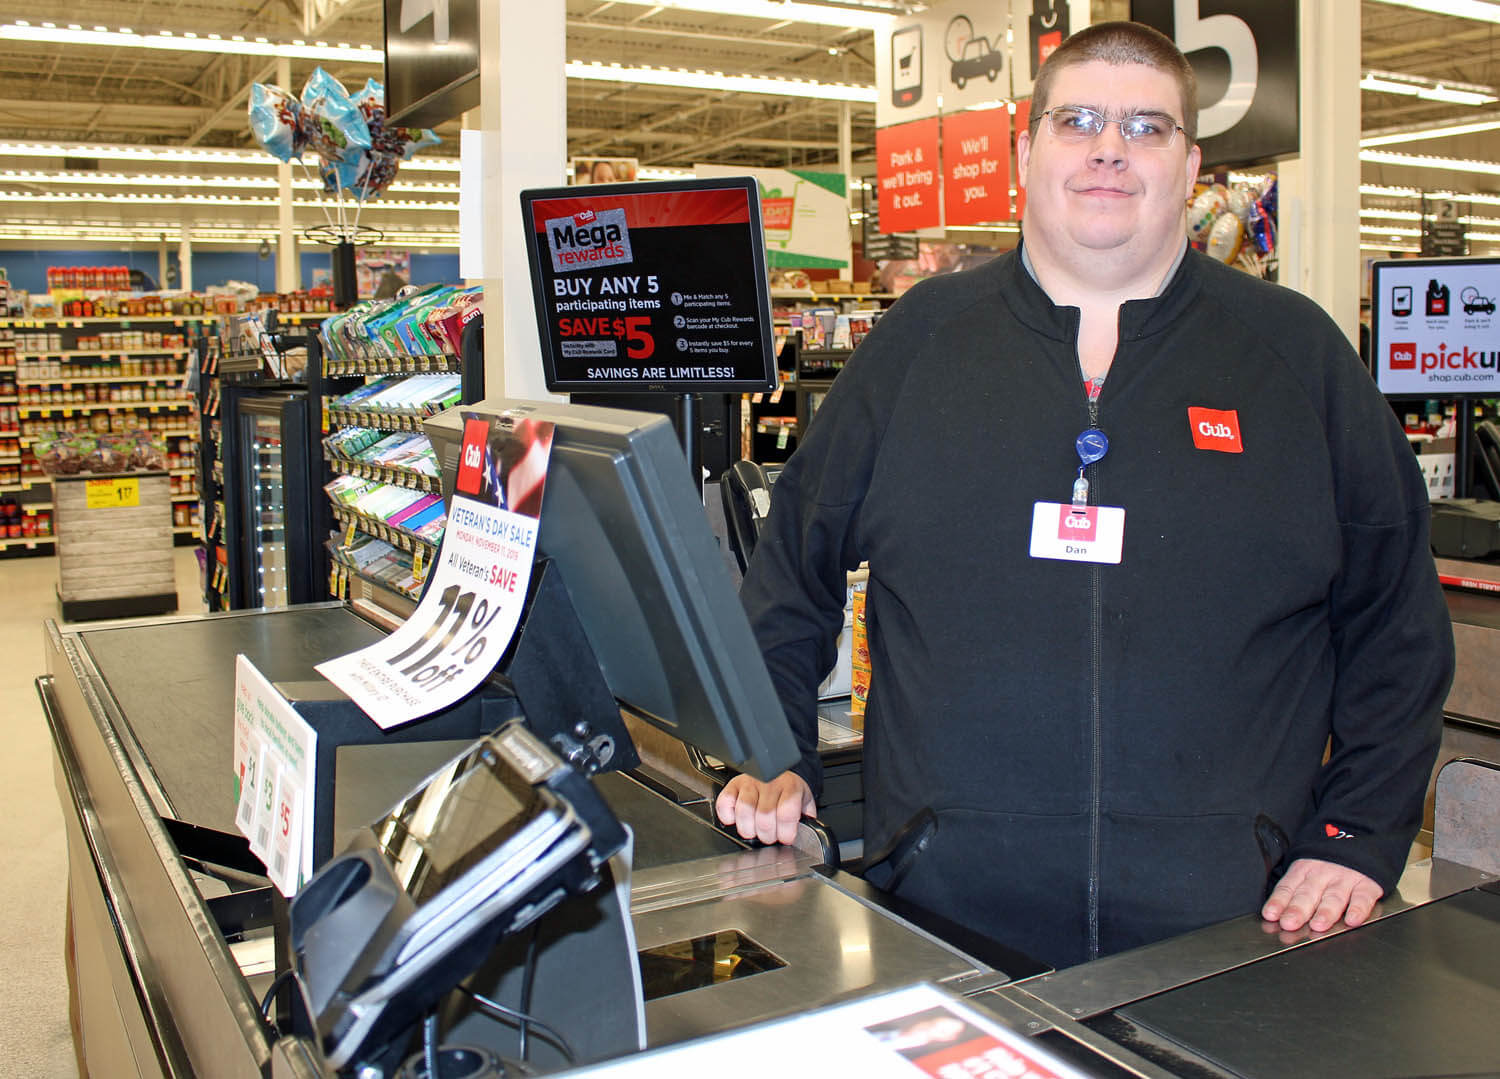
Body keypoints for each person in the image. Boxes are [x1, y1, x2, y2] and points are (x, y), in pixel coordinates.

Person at [716, 21, 1453, 970]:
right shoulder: (915, 349)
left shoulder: (1297, 360)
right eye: (1080, 120)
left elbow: (1396, 620)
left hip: (1234, 936)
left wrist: (1358, 827)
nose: (1111, 147)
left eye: (1148, 127)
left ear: (1190, 167)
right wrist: (772, 753)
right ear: (1028, 149)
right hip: (944, 923)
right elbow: (789, 584)